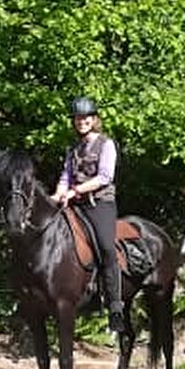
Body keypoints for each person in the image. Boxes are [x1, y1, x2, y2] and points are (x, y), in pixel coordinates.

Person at [53, 96, 126, 333]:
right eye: (78, 118)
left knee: (105, 247)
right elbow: (66, 176)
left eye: (85, 118)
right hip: (76, 204)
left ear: (94, 119)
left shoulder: (107, 144)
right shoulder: (73, 149)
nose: (81, 121)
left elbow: (105, 177)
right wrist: (57, 194)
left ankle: (115, 306)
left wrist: (76, 191)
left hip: (100, 204)